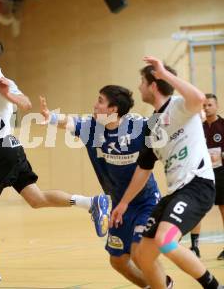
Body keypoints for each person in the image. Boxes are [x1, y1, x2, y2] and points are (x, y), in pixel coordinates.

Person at [0, 24, 109, 289]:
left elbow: (26, 104)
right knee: (36, 199)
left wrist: (9, 95)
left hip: (0, 147)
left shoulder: (3, 81)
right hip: (7, 149)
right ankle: (90, 202)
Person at [39, 86, 173, 288]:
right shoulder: (91, 128)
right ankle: (159, 285)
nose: (95, 104)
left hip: (146, 202)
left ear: (113, 109)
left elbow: (165, 126)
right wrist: (51, 117)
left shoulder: (139, 128)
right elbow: (70, 121)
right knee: (118, 261)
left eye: (100, 100)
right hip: (119, 205)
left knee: (140, 253)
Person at [111, 56, 222, 289]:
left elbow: (200, 98)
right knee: (143, 255)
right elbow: (144, 168)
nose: (139, 86)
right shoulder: (152, 124)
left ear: (153, 85)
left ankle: (213, 286)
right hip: (174, 193)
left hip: (197, 185)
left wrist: (165, 73)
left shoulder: (180, 106)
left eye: (142, 81)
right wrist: (123, 203)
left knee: (165, 241)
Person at [190, 93, 224, 260]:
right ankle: (194, 247)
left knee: (223, 209)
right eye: (204, 105)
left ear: (217, 106)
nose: (207, 108)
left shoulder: (223, 125)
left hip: (221, 173)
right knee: (197, 208)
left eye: (210, 105)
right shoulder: (197, 127)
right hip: (202, 174)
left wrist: (221, 156)